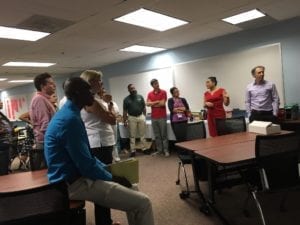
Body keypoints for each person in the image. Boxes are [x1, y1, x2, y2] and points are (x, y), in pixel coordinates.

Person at [44, 77, 154, 225]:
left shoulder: (70, 113)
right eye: (88, 91)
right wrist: (112, 177)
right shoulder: (69, 120)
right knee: (143, 202)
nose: (92, 94)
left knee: (132, 187)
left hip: (76, 176)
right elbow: (86, 166)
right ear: (78, 93)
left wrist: (110, 170)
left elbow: (87, 157)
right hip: (73, 184)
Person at [80, 70, 118, 225]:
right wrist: (109, 103)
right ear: (90, 83)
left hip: (101, 143)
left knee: (104, 183)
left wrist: (105, 101)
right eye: (99, 81)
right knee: (103, 185)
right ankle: (104, 222)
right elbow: (112, 120)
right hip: (99, 144)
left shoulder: (94, 99)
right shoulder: (91, 101)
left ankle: (105, 220)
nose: (102, 83)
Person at [29, 72, 56, 170]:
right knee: (46, 173)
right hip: (46, 141)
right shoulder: (39, 99)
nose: (54, 85)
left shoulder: (44, 99)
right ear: (42, 86)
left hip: (47, 140)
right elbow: (45, 125)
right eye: (51, 83)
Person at [123, 84, 148, 157]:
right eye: (131, 88)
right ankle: (133, 151)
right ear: (128, 90)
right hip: (131, 117)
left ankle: (144, 149)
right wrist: (125, 120)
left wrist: (144, 116)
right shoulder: (126, 99)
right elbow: (125, 111)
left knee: (142, 134)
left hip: (141, 116)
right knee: (132, 135)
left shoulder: (140, 97)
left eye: (134, 87)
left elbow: (144, 107)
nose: (133, 89)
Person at [146, 79, 169, 157]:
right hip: (153, 117)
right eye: (155, 84)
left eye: (157, 83)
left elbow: (162, 104)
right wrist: (156, 102)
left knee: (164, 135)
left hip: (162, 116)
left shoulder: (163, 92)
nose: (157, 84)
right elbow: (147, 104)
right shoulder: (150, 93)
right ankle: (159, 151)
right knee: (157, 135)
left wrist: (152, 104)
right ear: (152, 85)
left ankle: (166, 150)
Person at [103, 92, 121, 162]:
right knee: (109, 142)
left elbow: (116, 114)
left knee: (115, 141)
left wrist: (110, 108)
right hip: (106, 125)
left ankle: (116, 157)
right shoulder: (101, 104)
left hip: (113, 123)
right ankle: (112, 158)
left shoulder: (114, 103)